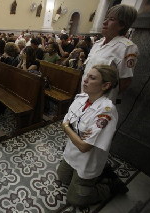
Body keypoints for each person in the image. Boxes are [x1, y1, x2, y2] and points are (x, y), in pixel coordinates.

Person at [57, 65, 127, 207]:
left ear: (106, 85)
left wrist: (66, 127)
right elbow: (66, 118)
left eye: (92, 78)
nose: (85, 80)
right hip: (71, 152)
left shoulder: (106, 111)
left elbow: (84, 146)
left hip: (88, 160)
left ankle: (109, 186)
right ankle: (99, 176)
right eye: (86, 75)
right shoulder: (81, 98)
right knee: (63, 177)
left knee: (75, 199)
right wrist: (73, 130)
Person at [81, 4, 138, 104]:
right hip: (83, 98)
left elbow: (125, 81)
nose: (104, 22)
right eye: (106, 18)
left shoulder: (127, 47)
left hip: (101, 103)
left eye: (111, 19)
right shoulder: (98, 44)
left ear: (122, 25)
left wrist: (106, 98)